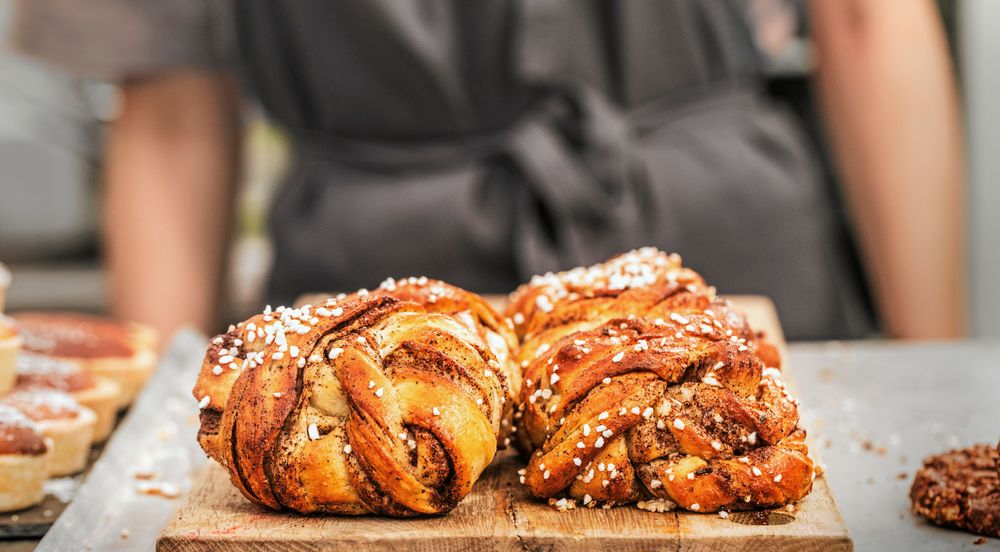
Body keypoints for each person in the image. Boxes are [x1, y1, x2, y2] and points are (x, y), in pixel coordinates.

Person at [13, 0, 964, 342]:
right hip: (359, 324)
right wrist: (147, 481)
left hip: (735, 285)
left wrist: (933, 379)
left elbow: (870, 18)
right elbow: (174, 113)